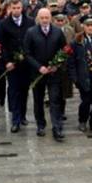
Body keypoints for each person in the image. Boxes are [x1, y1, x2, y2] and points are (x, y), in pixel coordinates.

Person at [24, 8, 67, 142]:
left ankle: (57, 127)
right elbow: (27, 53)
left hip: (53, 73)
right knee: (38, 100)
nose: (44, 20)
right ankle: (40, 125)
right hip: (38, 73)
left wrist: (57, 65)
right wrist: (39, 67)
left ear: (50, 18)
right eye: (42, 18)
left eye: (46, 17)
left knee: (55, 100)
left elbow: (64, 50)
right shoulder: (31, 32)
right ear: (38, 18)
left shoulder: (57, 32)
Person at [0, 0, 33, 133]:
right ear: (10, 8)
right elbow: (1, 44)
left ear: (22, 8)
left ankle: (22, 115)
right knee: (13, 90)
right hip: (11, 63)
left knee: (24, 90)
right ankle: (15, 119)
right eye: (14, 8)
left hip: (26, 63)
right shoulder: (4, 24)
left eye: (18, 8)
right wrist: (7, 61)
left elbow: (31, 41)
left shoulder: (30, 22)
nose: (16, 10)